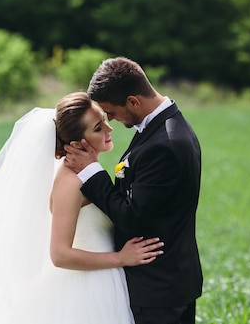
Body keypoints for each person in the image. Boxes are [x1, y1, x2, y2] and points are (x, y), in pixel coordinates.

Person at [0, 92, 164, 324]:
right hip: (86, 289)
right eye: (98, 128)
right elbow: (59, 255)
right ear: (77, 143)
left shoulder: (84, 172)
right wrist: (120, 258)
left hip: (102, 278)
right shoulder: (70, 183)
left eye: (104, 120)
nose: (110, 130)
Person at [64, 57, 203, 324]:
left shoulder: (165, 144)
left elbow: (132, 216)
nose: (111, 121)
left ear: (133, 102)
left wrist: (91, 171)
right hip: (167, 284)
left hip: (157, 290)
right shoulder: (163, 127)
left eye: (111, 112)